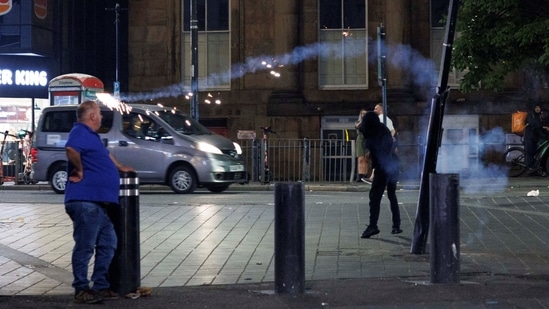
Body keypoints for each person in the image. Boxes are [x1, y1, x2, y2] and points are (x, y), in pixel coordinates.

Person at [64, 101, 134, 304]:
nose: (102, 118)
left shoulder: (92, 137)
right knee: (85, 246)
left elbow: (105, 155)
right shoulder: (79, 131)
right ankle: (81, 289)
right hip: (85, 200)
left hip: (97, 203)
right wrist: (79, 170)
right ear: (92, 116)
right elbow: (71, 150)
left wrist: (120, 167)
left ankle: (100, 286)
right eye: (100, 114)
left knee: (108, 242)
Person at [359, 111, 402, 238]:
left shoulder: (371, 138)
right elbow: (392, 143)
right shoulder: (383, 129)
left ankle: (373, 226)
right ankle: (396, 226)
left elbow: (377, 157)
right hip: (393, 165)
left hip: (383, 168)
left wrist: (374, 172)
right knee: (392, 195)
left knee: (374, 197)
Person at [524, 104, 543, 175]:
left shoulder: (539, 117)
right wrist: (540, 126)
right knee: (529, 152)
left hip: (535, 138)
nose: (538, 109)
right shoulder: (530, 115)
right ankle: (529, 167)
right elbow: (533, 124)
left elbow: (539, 128)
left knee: (535, 153)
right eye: (536, 107)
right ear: (534, 108)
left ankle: (533, 168)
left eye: (539, 107)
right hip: (529, 137)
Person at [355, 108, 370, 182]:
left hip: (367, 139)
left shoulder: (370, 122)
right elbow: (357, 126)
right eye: (362, 113)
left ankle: (365, 174)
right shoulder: (359, 122)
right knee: (361, 158)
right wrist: (362, 120)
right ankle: (360, 175)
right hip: (361, 139)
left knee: (366, 158)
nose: (364, 115)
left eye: (365, 113)